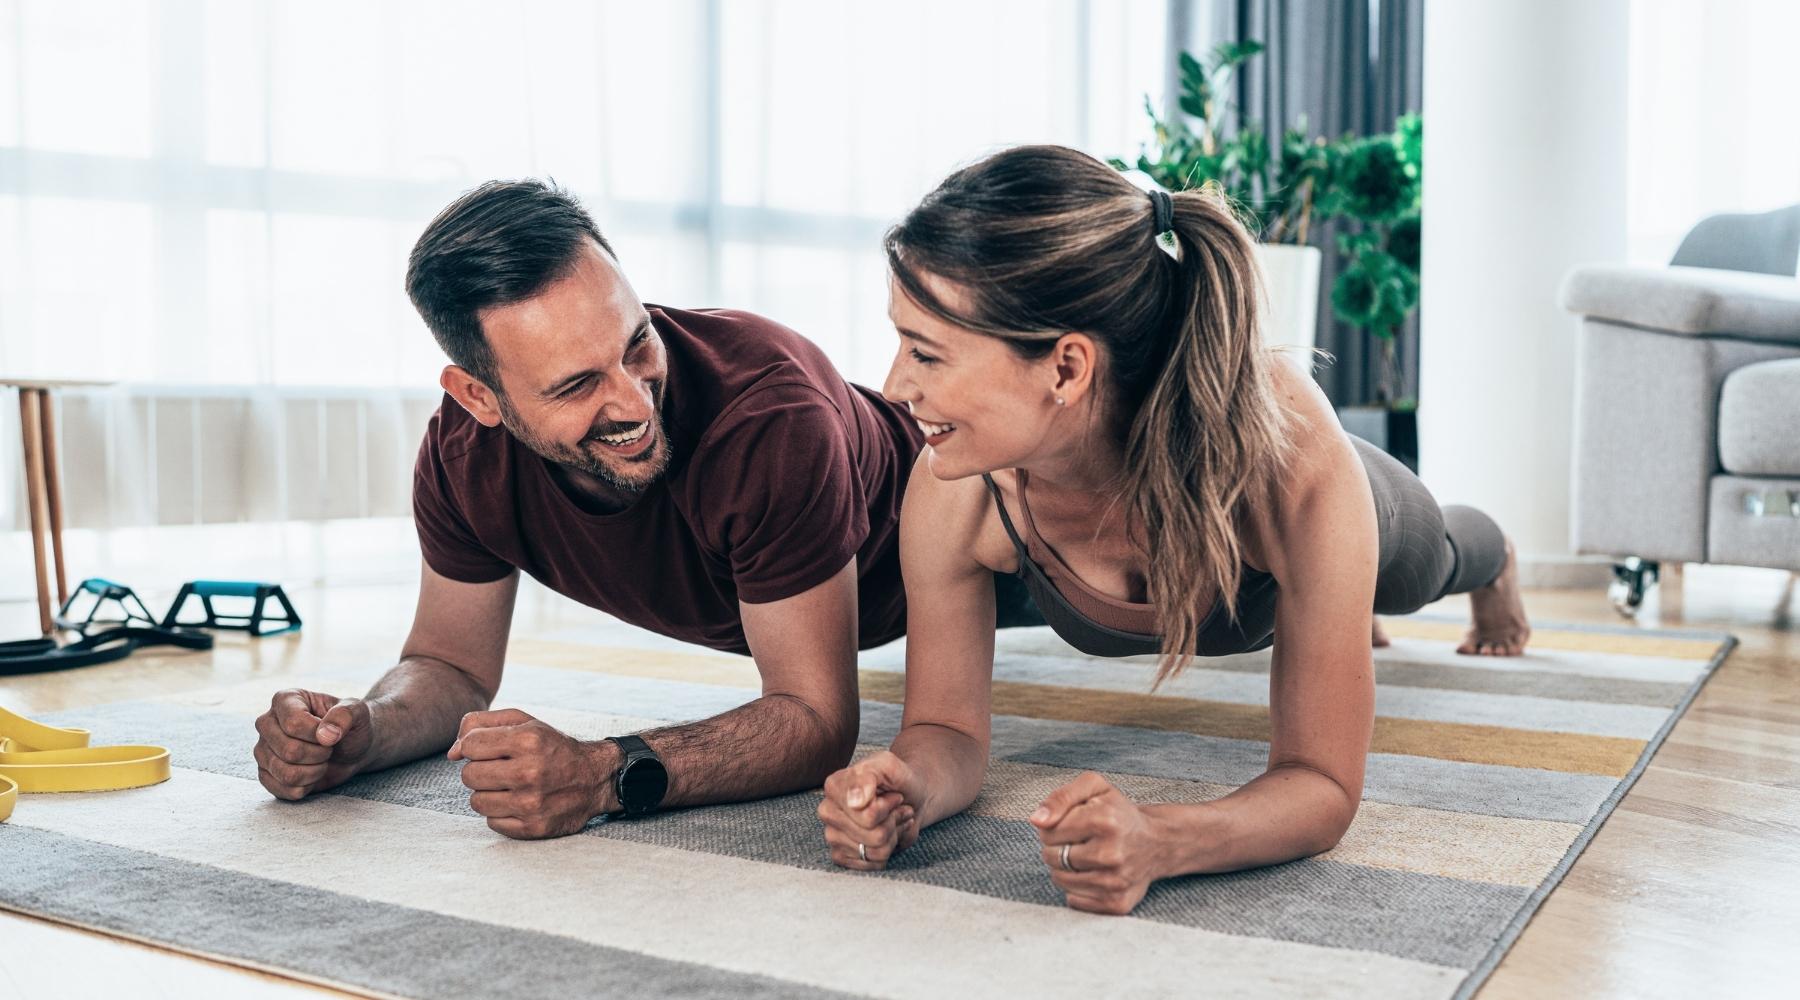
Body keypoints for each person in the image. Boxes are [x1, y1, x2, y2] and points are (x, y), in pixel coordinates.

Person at [816, 145, 1532, 914]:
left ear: (1065, 368)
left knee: (1430, 567)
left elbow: (1322, 784)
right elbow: (945, 725)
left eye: (925, 352)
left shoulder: (1294, 466)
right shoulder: (958, 493)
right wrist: (909, 784)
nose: (894, 386)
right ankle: (1334, 614)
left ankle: (1491, 562)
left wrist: (1162, 838)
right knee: (1340, 611)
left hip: (1351, 503)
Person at [251, 179, 983, 838]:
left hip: (996, 523)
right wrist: (363, 733)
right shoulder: (462, 460)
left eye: (638, 342)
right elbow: (449, 662)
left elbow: (816, 719)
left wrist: (603, 772)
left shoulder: (769, 419)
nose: (635, 403)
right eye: (575, 386)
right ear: (478, 397)